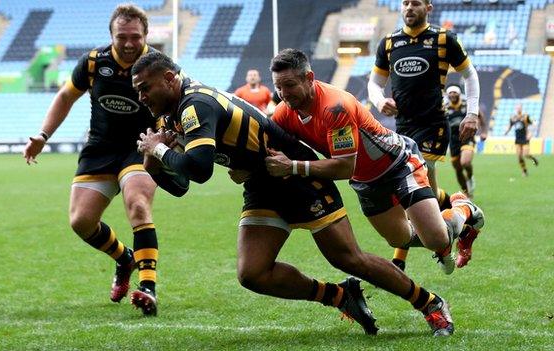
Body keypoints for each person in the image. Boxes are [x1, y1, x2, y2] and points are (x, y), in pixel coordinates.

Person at [133, 51, 456, 336]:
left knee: (349, 258)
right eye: (137, 90)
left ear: (169, 78)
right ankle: (340, 296)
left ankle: (430, 303)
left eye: (144, 88)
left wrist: (161, 151)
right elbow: (181, 186)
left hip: (297, 178)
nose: (141, 96)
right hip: (262, 183)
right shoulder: (172, 114)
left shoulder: (195, 104)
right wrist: (154, 161)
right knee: (252, 273)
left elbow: (200, 170)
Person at [268, 49, 485, 275]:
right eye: (278, 87)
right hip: (366, 181)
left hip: (399, 164)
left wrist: (292, 167)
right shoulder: (285, 112)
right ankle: (443, 230)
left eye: (290, 85)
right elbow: (266, 139)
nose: (283, 93)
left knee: (435, 239)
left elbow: (344, 167)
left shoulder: (335, 107)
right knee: (398, 238)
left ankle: (463, 207)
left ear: (309, 78)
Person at [23, 4, 160, 316]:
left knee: (138, 204)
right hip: (100, 148)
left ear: (146, 36)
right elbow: (65, 96)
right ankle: (124, 258)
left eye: (135, 37)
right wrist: (42, 136)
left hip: (141, 147)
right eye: (121, 36)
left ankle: (148, 287)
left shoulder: (158, 65)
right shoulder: (94, 62)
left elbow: (178, 103)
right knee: (81, 221)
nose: (128, 43)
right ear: (111, 35)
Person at [367, 0, 481, 268]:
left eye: (415, 3)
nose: (409, 7)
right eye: (405, 2)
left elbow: (470, 75)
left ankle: (401, 260)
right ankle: (464, 211)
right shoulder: (388, 43)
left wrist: (472, 113)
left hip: (433, 124)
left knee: (412, 186)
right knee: (422, 192)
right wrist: (378, 100)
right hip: (403, 127)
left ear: (428, 7)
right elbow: (374, 83)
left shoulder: (443, 39)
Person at [444, 85, 487, 198]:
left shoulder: (467, 103)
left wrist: (484, 132)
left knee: (465, 162)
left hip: (467, 136)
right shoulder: (444, 106)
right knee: (457, 169)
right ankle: (467, 193)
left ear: (459, 93)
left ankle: (470, 176)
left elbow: (481, 116)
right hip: (453, 140)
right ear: (448, 94)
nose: (453, 94)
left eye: (455, 92)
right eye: (450, 93)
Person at [504, 103, 538, 176]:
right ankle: (524, 171)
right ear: (516, 109)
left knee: (526, 155)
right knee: (519, 157)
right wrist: (506, 131)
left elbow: (534, 124)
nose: (518, 109)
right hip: (518, 140)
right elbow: (510, 126)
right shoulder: (513, 117)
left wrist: (531, 134)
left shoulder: (525, 117)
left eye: (519, 108)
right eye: (517, 108)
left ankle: (533, 159)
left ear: (521, 108)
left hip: (525, 139)